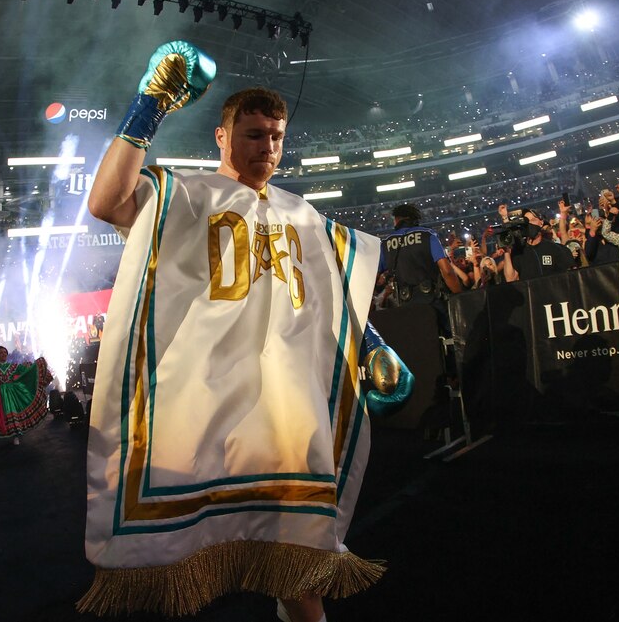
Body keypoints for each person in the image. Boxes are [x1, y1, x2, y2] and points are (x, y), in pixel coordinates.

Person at [80, 41, 414, 622]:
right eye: (255, 134)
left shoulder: (301, 213)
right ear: (222, 135)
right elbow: (107, 202)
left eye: (277, 136)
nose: (269, 147)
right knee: (180, 565)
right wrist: (149, 107)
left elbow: (328, 297)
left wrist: (373, 344)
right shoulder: (185, 194)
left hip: (282, 409)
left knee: (298, 563)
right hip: (200, 401)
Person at [378, 203, 463, 335]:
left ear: (397, 220)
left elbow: (374, 278)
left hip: (406, 307)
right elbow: (447, 271)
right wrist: (459, 296)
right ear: (414, 219)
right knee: (448, 340)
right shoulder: (428, 235)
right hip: (433, 303)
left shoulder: (385, 244)